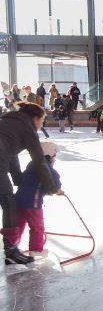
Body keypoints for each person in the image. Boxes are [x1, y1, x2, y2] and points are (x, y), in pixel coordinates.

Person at [0, 102, 59, 265]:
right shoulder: (27, 127)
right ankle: (11, 251)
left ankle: (11, 249)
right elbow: (40, 160)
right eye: (42, 121)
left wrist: (18, 179)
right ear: (35, 118)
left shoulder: (8, 120)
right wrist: (52, 187)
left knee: (8, 201)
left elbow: (12, 154)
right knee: (9, 204)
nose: (41, 125)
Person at [15, 141, 62, 256]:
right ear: (49, 156)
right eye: (54, 157)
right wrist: (58, 190)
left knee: (18, 224)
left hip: (18, 200)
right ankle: (36, 250)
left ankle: (13, 246)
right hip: (33, 203)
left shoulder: (31, 164)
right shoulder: (47, 168)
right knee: (37, 226)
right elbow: (54, 182)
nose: (55, 159)